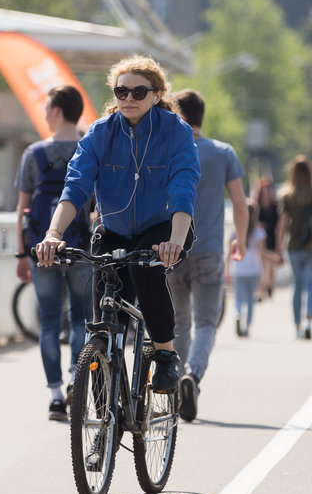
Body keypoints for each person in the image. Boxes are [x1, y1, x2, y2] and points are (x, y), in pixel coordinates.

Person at [34, 55, 200, 395]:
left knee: (148, 277)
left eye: (139, 93)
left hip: (161, 228)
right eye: (121, 91)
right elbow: (75, 185)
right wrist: (53, 234)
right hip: (113, 229)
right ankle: (102, 416)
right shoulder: (100, 132)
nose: (128, 99)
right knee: (101, 319)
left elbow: (184, 189)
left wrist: (176, 241)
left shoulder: (175, 132)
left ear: (157, 94)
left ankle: (166, 356)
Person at [165, 88, 248, 423]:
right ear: (202, 115)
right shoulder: (224, 153)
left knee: (179, 322)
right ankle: (193, 376)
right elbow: (241, 205)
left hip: (171, 247)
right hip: (210, 248)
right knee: (207, 323)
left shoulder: (170, 150)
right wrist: (240, 242)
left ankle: (174, 386)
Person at [14, 85, 94, 421]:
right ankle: (77, 380)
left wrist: (21, 254)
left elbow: (22, 208)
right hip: (81, 246)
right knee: (80, 319)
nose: (45, 115)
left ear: (58, 111)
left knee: (48, 323)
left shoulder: (34, 154)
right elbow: (97, 206)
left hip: (41, 248)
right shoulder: (90, 149)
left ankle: (56, 396)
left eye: (48, 109)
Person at [275, 155, 312, 340]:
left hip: (295, 246)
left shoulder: (288, 196)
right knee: (311, 284)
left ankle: (297, 325)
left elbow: (282, 225)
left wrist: (278, 248)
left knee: (297, 286)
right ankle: (309, 321)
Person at [226, 201, 272, 338]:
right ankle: (247, 325)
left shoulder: (234, 233)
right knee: (251, 299)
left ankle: (238, 314)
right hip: (254, 270)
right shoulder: (259, 232)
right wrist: (265, 272)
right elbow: (262, 254)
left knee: (239, 298)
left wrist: (227, 270)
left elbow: (229, 254)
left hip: (239, 270)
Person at [254, 176, 280, 301]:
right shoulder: (256, 206)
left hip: (272, 237)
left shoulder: (275, 206)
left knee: (271, 266)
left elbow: (279, 223)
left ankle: (269, 284)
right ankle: (261, 290)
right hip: (260, 239)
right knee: (262, 264)